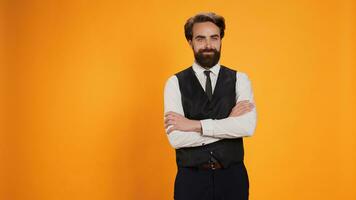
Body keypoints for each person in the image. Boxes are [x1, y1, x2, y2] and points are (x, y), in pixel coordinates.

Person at [163, 12, 257, 200]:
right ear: (190, 41)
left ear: (221, 39)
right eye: (200, 38)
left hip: (233, 178)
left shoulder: (240, 79)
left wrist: (194, 125)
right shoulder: (174, 83)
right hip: (191, 180)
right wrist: (228, 124)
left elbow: (247, 127)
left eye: (214, 38)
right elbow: (177, 139)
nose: (208, 45)